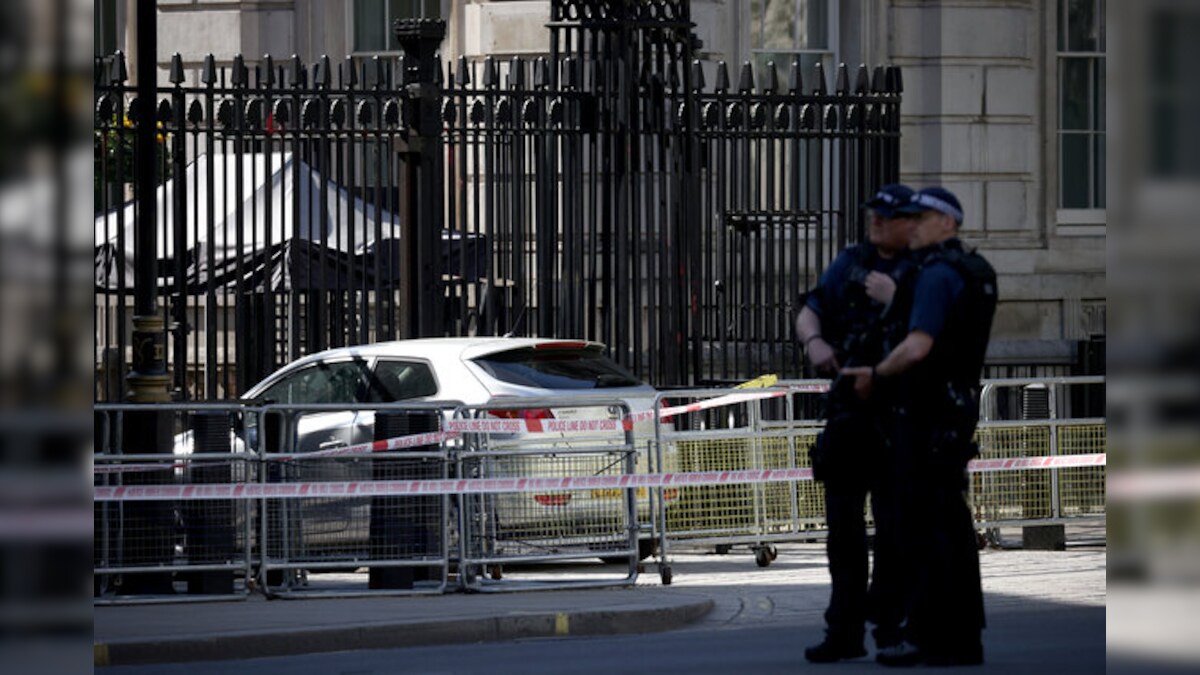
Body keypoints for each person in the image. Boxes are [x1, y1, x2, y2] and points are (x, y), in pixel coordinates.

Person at [842, 186, 998, 667]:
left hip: (926, 413)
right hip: (956, 410)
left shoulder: (936, 275)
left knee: (923, 529)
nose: (911, 225)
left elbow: (917, 347)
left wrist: (875, 373)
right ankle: (962, 636)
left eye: (921, 217)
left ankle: (932, 636)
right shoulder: (975, 270)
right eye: (908, 217)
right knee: (950, 523)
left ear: (947, 223)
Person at [796, 183, 918, 663]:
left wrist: (895, 297)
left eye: (887, 218)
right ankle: (843, 631)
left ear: (909, 222)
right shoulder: (852, 260)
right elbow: (811, 308)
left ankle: (889, 627)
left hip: (895, 414)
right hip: (848, 412)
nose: (877, 224)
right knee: (842, 534)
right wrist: (813, 344)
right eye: (874, 216)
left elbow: (933, 335)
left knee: (894, 531)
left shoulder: (922, 268)